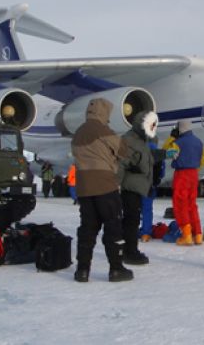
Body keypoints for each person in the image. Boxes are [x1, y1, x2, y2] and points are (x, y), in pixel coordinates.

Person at [71, 98, 132, 283]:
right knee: (113, 226)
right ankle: (116, 268)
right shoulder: (103, 130)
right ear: (103, 113)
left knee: (87, 229)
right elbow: (123, 151)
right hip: (105, 185)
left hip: (84, 187)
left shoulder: (78, 133)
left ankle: (82, 270)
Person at [118, 110, 164, 265]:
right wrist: (115, 186)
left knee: (133, 219)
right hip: (130, 187)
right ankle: (129, 252)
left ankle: (128, 249)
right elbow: (120, 163)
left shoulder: (143, 141)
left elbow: (148, 161)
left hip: (140, 187)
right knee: (131, 220)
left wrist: (163, 154)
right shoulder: (128, 139)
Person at [170, 120, 204, 246]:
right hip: (194, 174)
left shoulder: (177, 143)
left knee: (181, 203)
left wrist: (172, 140)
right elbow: (201, 158)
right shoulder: (199, 141)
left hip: (182, 174)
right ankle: (198, 234)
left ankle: (187, 235)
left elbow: (171, 157)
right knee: (192, 204)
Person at [140, 138, 165, 242]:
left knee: (134, 208)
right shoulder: (158, 153)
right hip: (151, 185)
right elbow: (162, 172)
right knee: (147, 209)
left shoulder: (140, 150)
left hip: (138, 183)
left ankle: (131, 230)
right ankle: (146, 233)